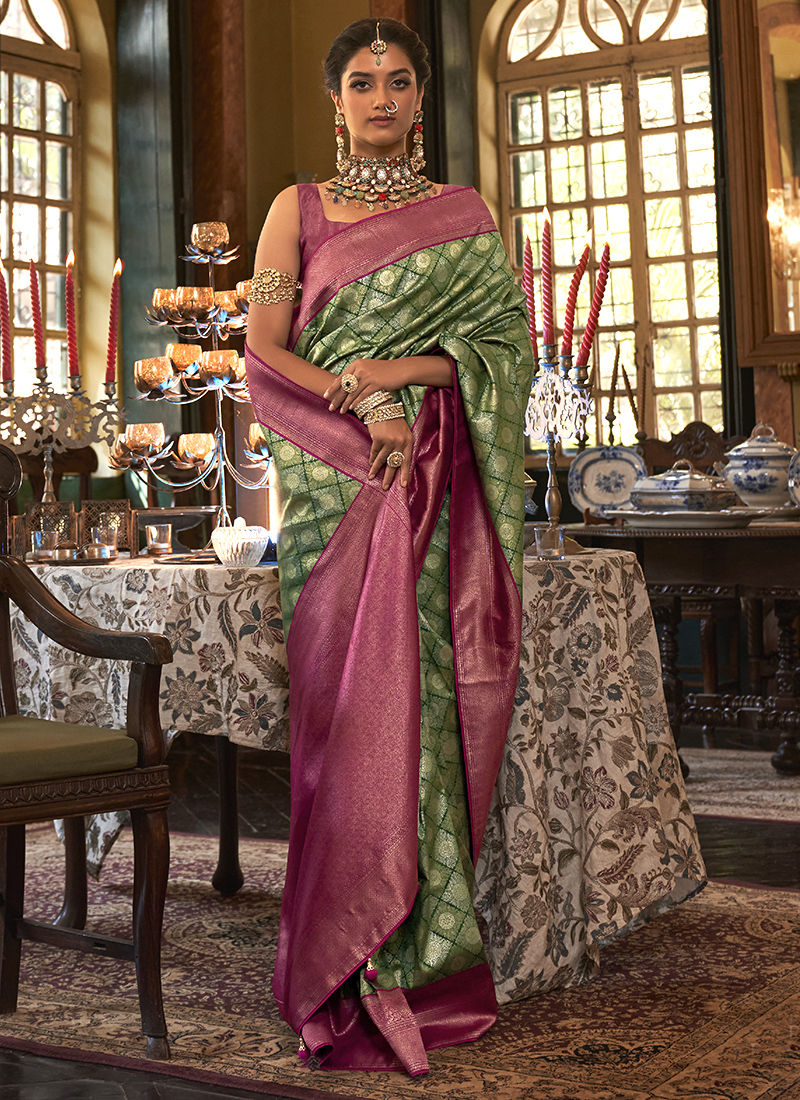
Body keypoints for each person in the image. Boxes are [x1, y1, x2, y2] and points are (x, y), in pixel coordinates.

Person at [244, 17, 534, 1076]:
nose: (378, 97)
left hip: (427, 481)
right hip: (332, 479)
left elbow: (501, 347)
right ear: (334, 100)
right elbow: (263, 352)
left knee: (415, 703)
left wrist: (398, 377)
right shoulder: (296, 209)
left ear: (419, 99)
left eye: (397, 80)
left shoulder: (460, 214)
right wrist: (354, 402)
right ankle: (336, 958)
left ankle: (421, 961)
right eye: (359, 81)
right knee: (343, 713)